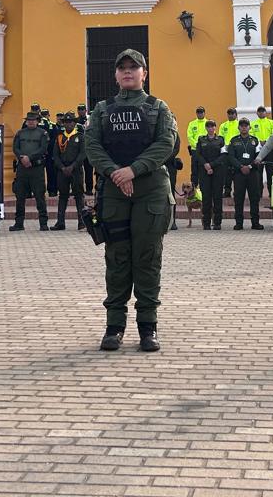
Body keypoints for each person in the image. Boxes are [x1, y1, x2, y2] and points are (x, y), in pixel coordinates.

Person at [84, 49, 176, 352]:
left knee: (147, 258)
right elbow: (92, 145)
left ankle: (148, 328)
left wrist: (132, 171)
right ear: (115, 75)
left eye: (133, 68)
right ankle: (114, 326)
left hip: (150, 191)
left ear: (144, 74)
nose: (127, 72)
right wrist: (115, 173)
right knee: (117, 257)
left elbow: (166, 144)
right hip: (114, 191)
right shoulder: (102, 110)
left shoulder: (158, 108)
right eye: (122, 68)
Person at [11, 111, 50, 231]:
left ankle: (43, 223)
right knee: (20, 196)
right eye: (29, 120)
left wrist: (30, 158)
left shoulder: (42, 133)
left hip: (36, 168)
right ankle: (19, 223)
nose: (31, 122)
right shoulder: (20, 133)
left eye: (33, 120)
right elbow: (15, 148)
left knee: (40, 196)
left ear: (38, 121)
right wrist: (22, 158)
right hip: (22, 168)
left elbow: (43, 149)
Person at [52, 112, 87, 231]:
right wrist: (62, 167)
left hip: (76, 170)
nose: (68, 124)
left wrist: (72, 166)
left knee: (79, 196)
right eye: (66, 122)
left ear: (75, 123)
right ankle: (60, 222)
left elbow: (83, 154)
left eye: (71, 122)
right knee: (62, 196)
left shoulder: (80, 137)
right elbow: (55, 155)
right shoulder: (60, 137)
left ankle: (82, 222)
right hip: (62, 170)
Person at [228, 118, 263, 230]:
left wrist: (250, 166)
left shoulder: (255, 140)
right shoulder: (233, 141)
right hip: (239, 173)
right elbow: (231, 157)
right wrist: (241, 167)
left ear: (249, 127)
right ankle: (239, 223)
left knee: (254, 198)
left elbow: (259, 156)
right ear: (238, 127)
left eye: (246, 125)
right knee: (238, 198)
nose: (244, 127)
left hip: (252, 173)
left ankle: (255, 222)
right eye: (242, 125)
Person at [193, 120, 227, 230]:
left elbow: (223, 155)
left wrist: (211, 165)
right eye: (208, 126)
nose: (210, 128)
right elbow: (197, 154)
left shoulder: (221, 140)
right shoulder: (201, 139)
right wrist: (205, 165)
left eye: (212, 126)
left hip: (217, 171)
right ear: (206, 128)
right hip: (204, 172)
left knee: (217, 197)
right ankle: (206, 222)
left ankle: (217, 222)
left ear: (215, 127)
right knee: (206, 197)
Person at [186, 106, 209, 191]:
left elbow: (209, 136)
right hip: (195, 150)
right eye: (198, 112)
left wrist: (203, 146)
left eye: (201, 112)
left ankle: (205, 188)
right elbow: (189, 136)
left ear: (204, 113)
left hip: (205, 151)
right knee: (194, 170)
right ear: (196, 113)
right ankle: (193, 188)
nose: (200, 114)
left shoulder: (208, 123)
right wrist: (197, 145)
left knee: (204, 169)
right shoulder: (192, 124)